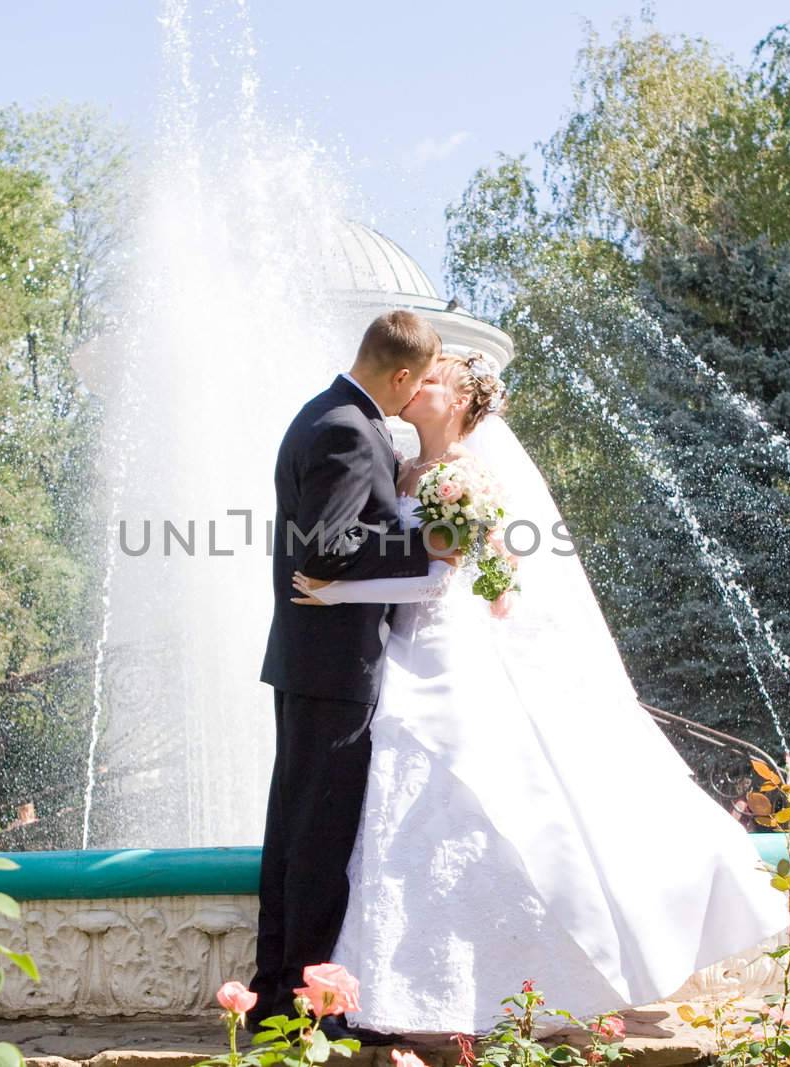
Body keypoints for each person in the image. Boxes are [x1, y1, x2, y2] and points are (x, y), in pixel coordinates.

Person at [290, 349, 787, 1035]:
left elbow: (441, 577)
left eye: (429, 380)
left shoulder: (468, 475)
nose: (412, 388)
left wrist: (336, 587)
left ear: (461, 400)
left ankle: (538, 974)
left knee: (455, 777)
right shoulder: (404, 468)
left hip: (443, 644)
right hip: (401, 644)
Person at [252, 309, 448, 1028]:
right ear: (400, 375)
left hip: (313, 663)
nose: (415, 394)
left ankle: (276, 992)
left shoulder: (326, 415)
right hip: (333, 667)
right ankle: (301, 1010)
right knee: (317, 843)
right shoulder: (346, 429)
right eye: (417, 382)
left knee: (297, 834)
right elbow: (326, 550)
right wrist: (432, 545)